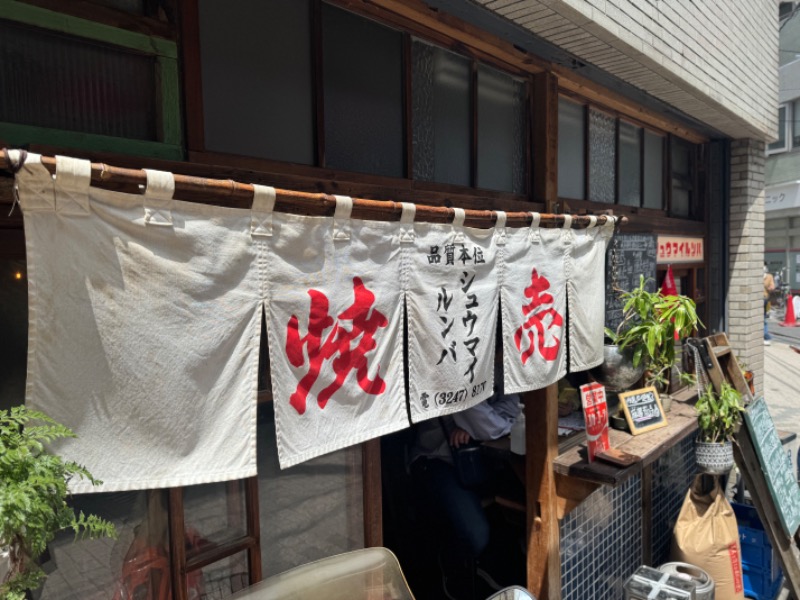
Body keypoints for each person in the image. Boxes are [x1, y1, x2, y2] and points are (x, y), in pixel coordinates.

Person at [409, 363, 524, 600]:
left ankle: (494, 575)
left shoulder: (497, 361)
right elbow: (480, 420)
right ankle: (454, 575)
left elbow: (511, 407)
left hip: (479, 460)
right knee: (477, 533)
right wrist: (487, 427)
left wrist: (480, 428)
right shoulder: (453, 362)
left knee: (518, 508)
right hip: (436, 459)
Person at [764, 263, 775, 346]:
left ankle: (767, 337)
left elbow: (772, 286)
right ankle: (765, 336)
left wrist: (770, 288)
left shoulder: (769, 276)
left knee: (763, 318)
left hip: (764, 298)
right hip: (755, 298)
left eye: (764, 265)